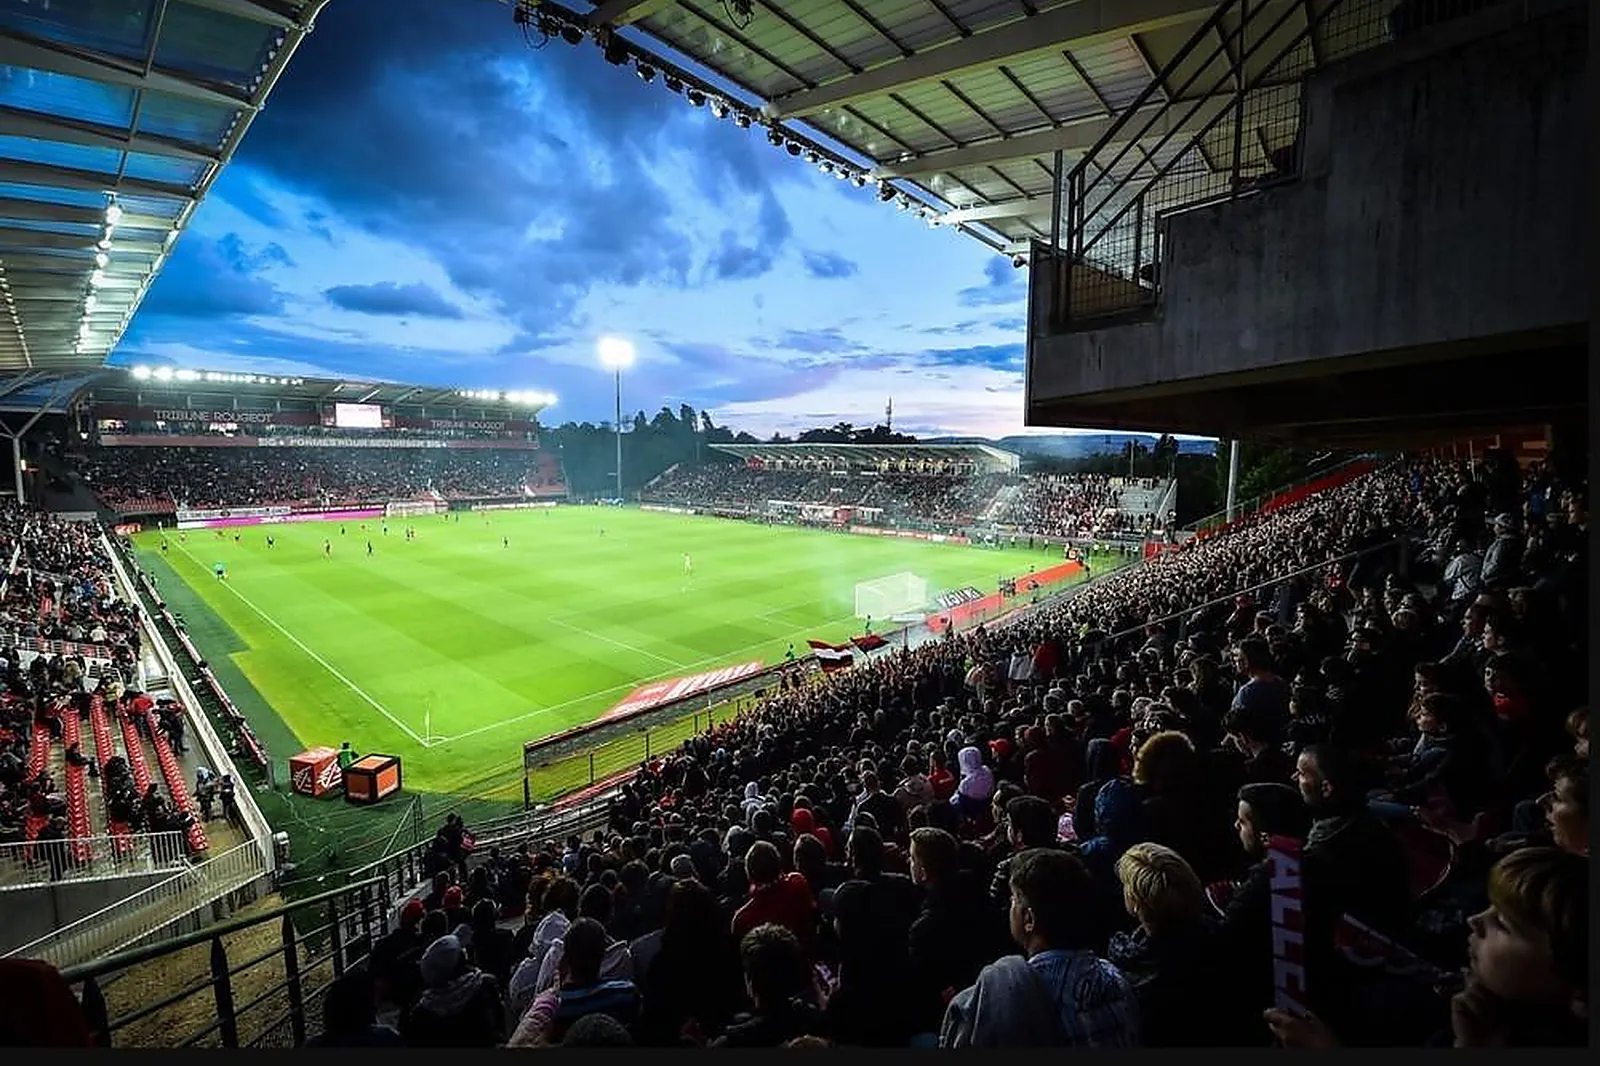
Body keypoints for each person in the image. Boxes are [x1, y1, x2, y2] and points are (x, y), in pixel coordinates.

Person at [941, 848, 1139, 1047]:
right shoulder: (1116, 978)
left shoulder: (993, 999)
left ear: (1028, 919)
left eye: (1013, 900)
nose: (1009, 907)